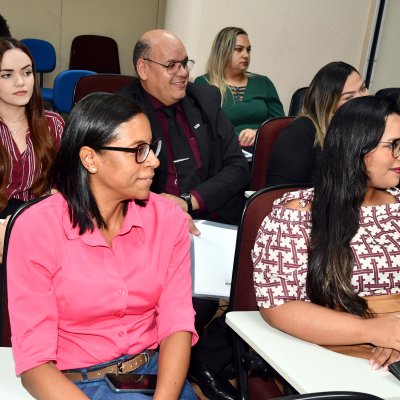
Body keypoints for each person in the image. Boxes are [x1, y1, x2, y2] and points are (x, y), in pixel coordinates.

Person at [7, 92, 198, 400]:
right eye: (139, 150)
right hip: (74, 386)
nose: (154, 161)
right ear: (90, 159)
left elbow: (177, 323)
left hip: (153, 377)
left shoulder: (168, 221)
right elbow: (34, 362)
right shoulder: (36, 229)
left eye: (152, 147)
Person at [118, 29, 250, 400]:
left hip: (210, 216)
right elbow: (119, 181)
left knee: (253, 286)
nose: (182, 73)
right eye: (171, 64)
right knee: (188, 296)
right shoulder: (123, 110)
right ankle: (179, 364)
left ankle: (203, 360)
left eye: (185, 63)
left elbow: (238, 168)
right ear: (143, 68)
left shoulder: (204, 99)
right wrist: (166, 209)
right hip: (152, 220)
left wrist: (190, 201)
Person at [253, 95, 400, 371]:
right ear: (356, 147)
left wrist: (394, 338)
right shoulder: (298, 216)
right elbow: (279, 306)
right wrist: (374, 330)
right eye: (393, 145)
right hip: (327, 353)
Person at [0, 38, 64, 260]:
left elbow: (66, 183)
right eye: (7, 75)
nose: (21, 82)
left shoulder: (53, 124)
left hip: (43, 229)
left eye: (27, 73)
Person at [267, 61, 369, 186]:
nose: (363, 98)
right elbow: (279, 192)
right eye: (349, 97)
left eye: (363, 89)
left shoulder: (370, 130)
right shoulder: (299, 132)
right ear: (328, 104)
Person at [194, 26, 284, 148]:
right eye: (239, 49)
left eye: (248, 50)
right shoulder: (204, 83)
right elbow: (199, 127)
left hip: (262, 150)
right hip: (223, 151)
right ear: (223, 51)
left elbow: (280, 124)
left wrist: (258, 133)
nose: (246, 55)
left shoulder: (263, 82)